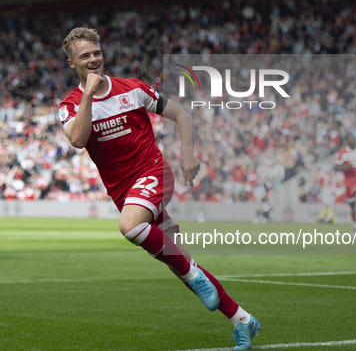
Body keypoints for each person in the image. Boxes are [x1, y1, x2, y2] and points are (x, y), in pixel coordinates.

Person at [58, 27, 260, 350]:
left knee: (130, 227)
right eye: (85, 56)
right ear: (72, 64)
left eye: (96, 52)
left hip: (154, 173)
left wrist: (188, 152)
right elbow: (78, 139)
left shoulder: (133, 89)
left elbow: (181, 114)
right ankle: (243, 320)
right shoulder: (69, 106)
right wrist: (88, 96)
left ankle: (194, 275)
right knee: (182, 264)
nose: (94, 59)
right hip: (124, 192)